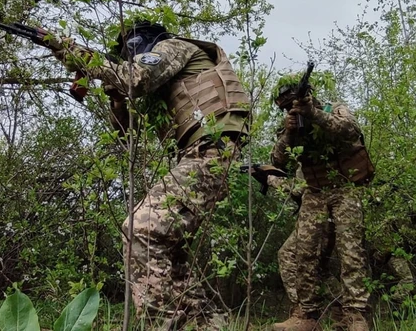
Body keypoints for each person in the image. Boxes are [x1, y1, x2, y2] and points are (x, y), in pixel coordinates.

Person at [53, 21, 250, 330]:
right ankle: (207, 324)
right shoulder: (164, 79)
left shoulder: (174, 47)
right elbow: (122, 133)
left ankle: (161, 325)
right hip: (202, 154)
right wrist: (115, 94)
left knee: (140, 230)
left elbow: (137, 77)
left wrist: (74, 52)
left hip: (212, 150)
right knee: (171, 250)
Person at [270, 73, 375, 331]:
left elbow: (351, 130)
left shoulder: (334, 109)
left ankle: (355, 315)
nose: (289, 107)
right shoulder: (290, 125)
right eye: (285, 105)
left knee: (350, 251)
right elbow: (277, 160)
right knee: (303, 253)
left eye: (292, 102)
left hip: (345, 188)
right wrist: (290, 133)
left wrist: (314, 114)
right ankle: (306, 315)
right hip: (314, 193)